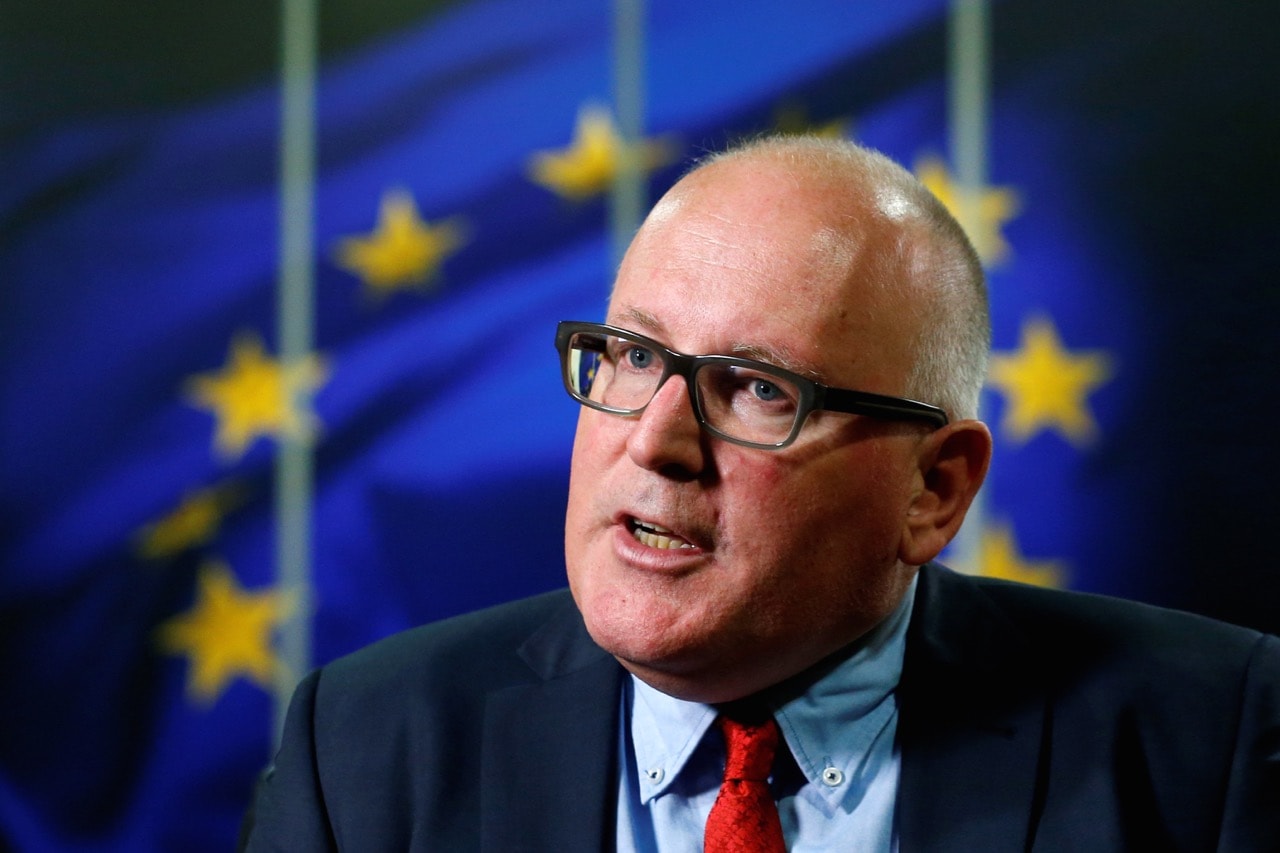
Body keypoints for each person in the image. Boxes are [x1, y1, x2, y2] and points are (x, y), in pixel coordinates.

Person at [241, 136, 1279, 851]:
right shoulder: (364, 747)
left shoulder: (1205, 738)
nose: (655, 442)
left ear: (934, 487)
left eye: (755, 387)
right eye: (631, 356)